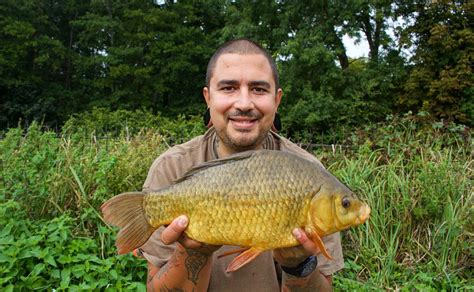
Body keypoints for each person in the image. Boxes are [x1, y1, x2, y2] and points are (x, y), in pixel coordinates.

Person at [137, 39, 343, 291]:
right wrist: (194, 253)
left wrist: (298, 265)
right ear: (208, 97)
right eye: (228, 88)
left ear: (277, 100)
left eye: (258, 89)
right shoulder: (171, 168)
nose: (244, 103)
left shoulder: (309, 175)